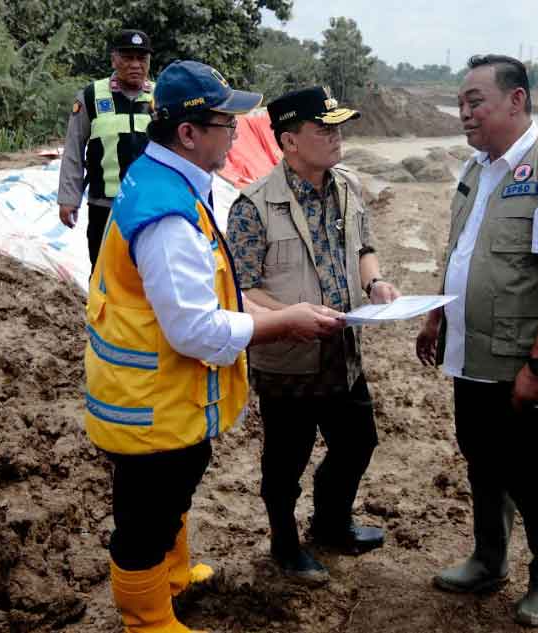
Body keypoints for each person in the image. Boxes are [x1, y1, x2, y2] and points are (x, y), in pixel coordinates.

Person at [84, 60, 345, 633]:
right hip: (148, 405)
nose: (235, 134)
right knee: (144, 521)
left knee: (171, 496)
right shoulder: (168, 215)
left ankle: (172, 581)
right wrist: (282, 323)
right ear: (188, 133)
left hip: (160, 398)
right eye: (227, 123)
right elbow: (194, 330)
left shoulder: (166, 180)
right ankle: (148, 620)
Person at [415, 55, 538, 627]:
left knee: (530, 474)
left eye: (476, 101)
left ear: (516, 101)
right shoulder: (476, 168)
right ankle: (489, 559)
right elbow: (462, 252)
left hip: (522, 364)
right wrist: (437, 315)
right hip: (472, 355)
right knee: (481, 461)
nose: (465, 112)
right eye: (461, 102)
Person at [226, 86, 400, 585]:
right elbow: (240, 289)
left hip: (342, 351)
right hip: (288, 358)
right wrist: (292, 315)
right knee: (286, 461)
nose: (336, 137)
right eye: (324, 129)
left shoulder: (346, 187)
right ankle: (285, 546)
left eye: (338, 127)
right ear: (289, 141)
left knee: (358, 442)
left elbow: (364, 245)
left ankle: (330, 523)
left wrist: (375, 281)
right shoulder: (253, 206)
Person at [57, 29, 154, 271]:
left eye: (141, 59)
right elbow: (73, 148)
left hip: (151, 205)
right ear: (113, 60)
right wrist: (69, 198)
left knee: (148, 274)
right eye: (127, 58)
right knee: (102, 272)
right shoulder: (91, 96)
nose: (135, 65)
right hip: (105, 207)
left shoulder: (160, 97)